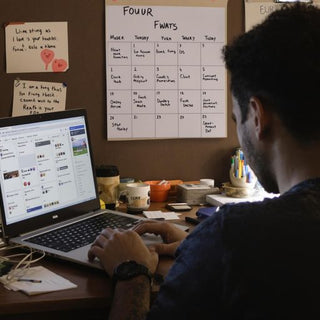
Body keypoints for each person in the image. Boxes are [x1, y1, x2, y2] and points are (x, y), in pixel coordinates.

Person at [88, 3, 320, 319]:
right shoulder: (228, 241)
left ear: (256, 116)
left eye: (236, 119)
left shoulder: (234, 238)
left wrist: (133, 272)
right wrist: (198, 246)